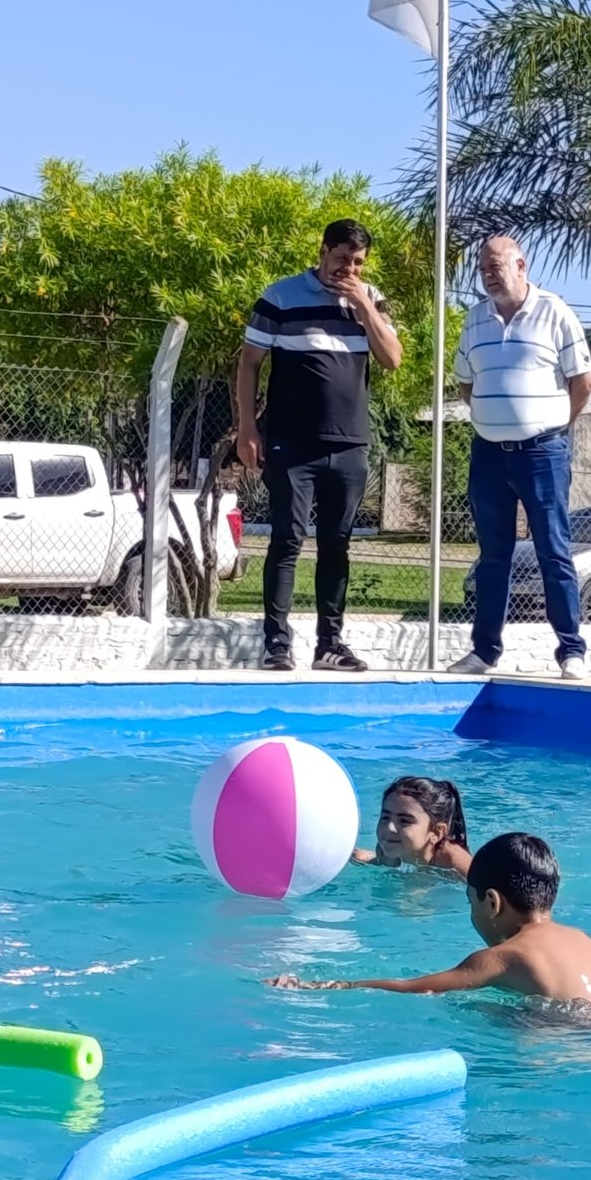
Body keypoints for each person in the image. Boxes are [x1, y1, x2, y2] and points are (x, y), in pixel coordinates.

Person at [235, 219, 402, 673]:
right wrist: (247, 427)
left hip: (349, 444)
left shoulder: (371, 298)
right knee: (287, 540)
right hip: (291, 443)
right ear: (323, 251)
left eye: (358, 262)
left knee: (336, 544)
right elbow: (249, 363)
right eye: (342, 258)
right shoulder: (281, 296)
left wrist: (363, 305)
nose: (349, 269)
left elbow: (392, 358)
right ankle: (276, 644)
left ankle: (330, 644)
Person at [446, 237, 591, 681]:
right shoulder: (475, 319)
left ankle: (571, 651)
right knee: (493, 557)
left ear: (520, 265)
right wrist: (494, 418)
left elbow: (584, 382)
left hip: (543, 453)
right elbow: (465, 383)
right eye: (482, 269)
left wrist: (553, 425)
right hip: (489, 454)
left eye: (494, 266)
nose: (487, 275)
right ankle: (484, 651)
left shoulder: (555, 312)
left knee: (553, 551)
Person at [268, 832, 591, 1006]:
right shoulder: (582, 940)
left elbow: (418, 987)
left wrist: (327, 985)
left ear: (492, 903)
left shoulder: (505, 956)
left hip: (564, 1038)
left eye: (470, 901)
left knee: (493, 1014)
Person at [351, 775, 472, 877]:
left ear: (437, 832)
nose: (389, 828)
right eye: (385, 817)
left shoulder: (455, 862)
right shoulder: (388, 846)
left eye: (404, 821)